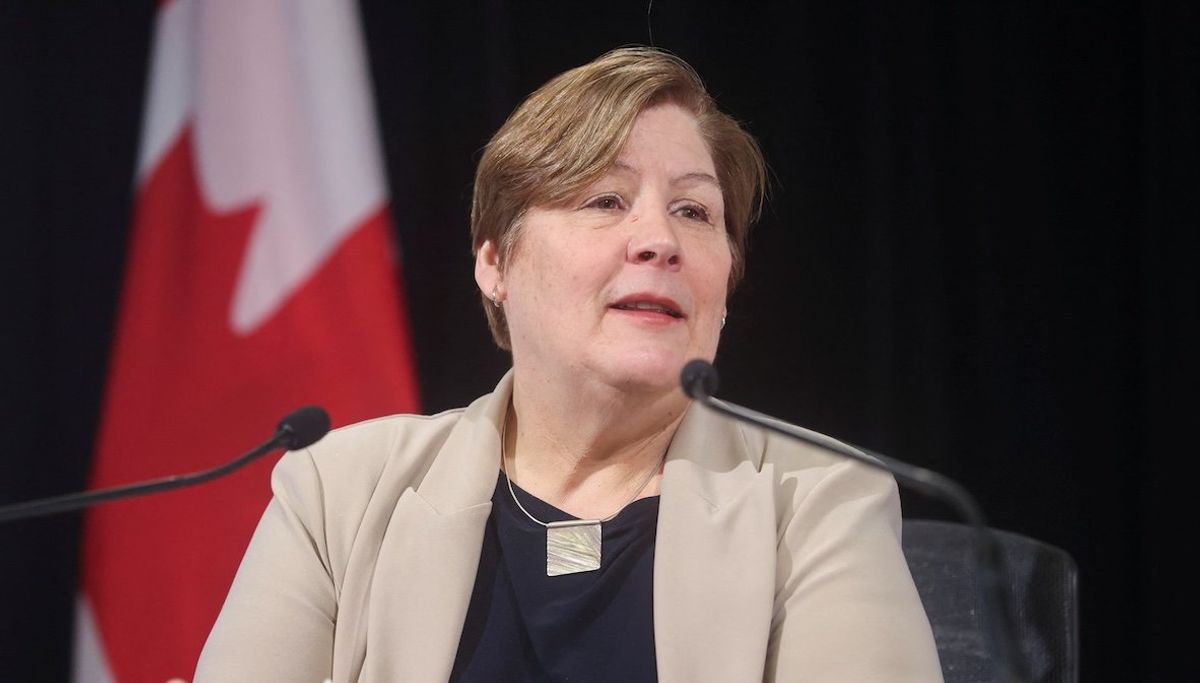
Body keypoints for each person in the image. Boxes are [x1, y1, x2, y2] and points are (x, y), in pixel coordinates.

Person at [195, 47, 943, 682]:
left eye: (694, 211)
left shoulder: (816, 501)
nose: (659, 240)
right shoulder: (339, 493)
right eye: (605, 200)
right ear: (495, 261)